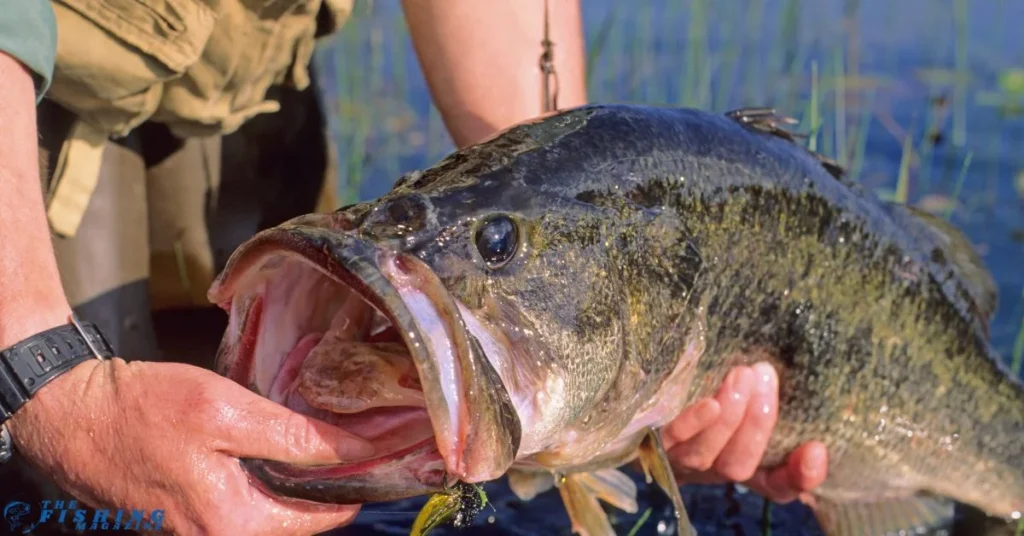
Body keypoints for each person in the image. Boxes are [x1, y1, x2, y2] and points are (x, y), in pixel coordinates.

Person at [0, 1, 827, 534]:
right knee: (58, 483)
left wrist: (603, 393)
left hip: (225, 61)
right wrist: (36, 366)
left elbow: (553, 192)